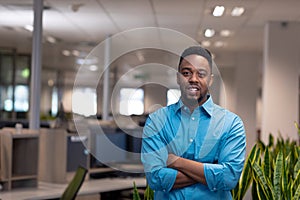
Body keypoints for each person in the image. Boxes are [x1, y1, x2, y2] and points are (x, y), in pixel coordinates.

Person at [141, 46, 246, 199]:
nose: (193, 79)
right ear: (178, 78)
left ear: (210, 79)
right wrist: (210, 170)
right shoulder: (156, 121)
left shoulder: (231, 123)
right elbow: (155, 178)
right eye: (186, 73)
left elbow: (229, 178)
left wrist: (175, 161)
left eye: (201, 74)